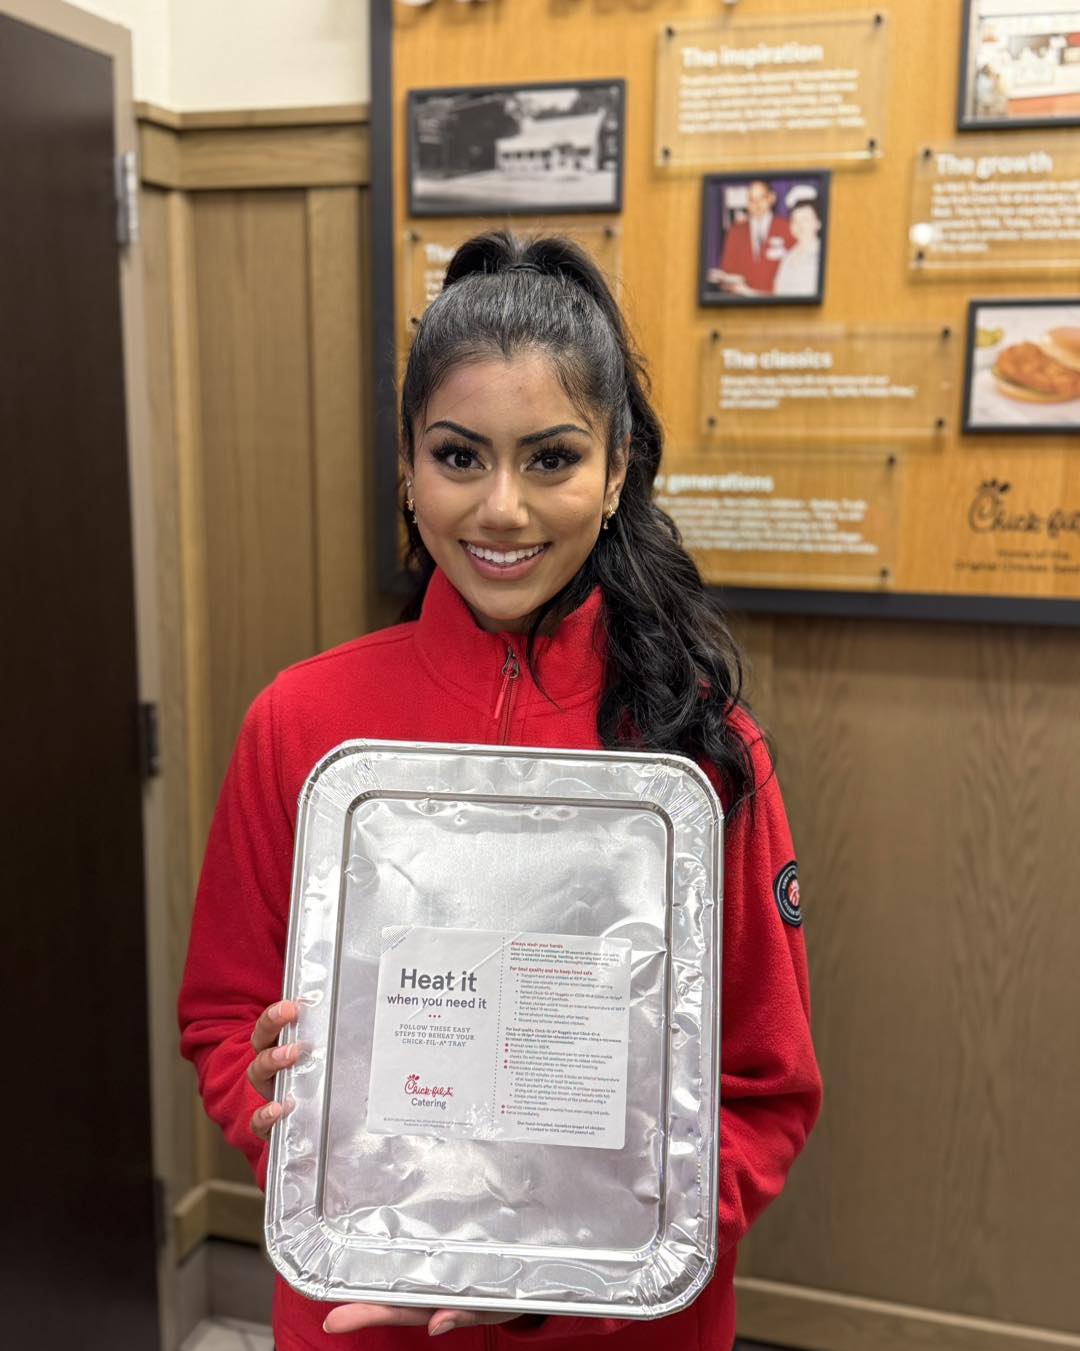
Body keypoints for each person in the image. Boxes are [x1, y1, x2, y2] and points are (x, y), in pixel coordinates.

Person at [179, 231, 822, 1351]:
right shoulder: (302, 723)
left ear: (617, 468)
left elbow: (766, 1089)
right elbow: (224, 1016)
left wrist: (559, 1269)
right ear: (408, 466)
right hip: (364, 1305)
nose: (504, 511)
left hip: (617, 1329)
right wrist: (281, 1107)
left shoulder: (704, 750)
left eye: (553, 459)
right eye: (461, 456)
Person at [707, 179, 793, 296]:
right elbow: (727, 270)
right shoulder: (735, 231)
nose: (756, 204)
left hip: (776, 303)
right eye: (752, 200)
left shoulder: (787, 228)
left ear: (772, 198)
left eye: (761, 198)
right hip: (741, 303)